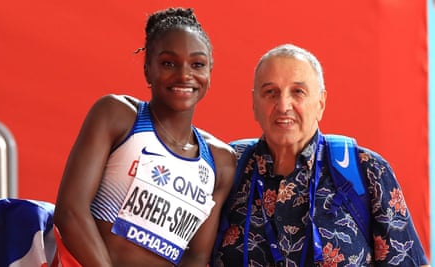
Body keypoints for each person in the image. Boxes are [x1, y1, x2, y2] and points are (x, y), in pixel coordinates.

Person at [212, 44, 430, 267]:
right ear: (254, 103)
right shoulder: (227, 167)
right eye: (270, 92)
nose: (283, 105)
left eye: (298, 92)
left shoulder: (367, 170)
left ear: (321, 103)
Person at [53, 7, 236, 267]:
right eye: (168, 63)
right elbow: (71, 211)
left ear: (209, 72)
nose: (184, 75)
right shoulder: (116, 115)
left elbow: (195, 256)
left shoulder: (220, 161)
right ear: (147, 68)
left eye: (197, 64)